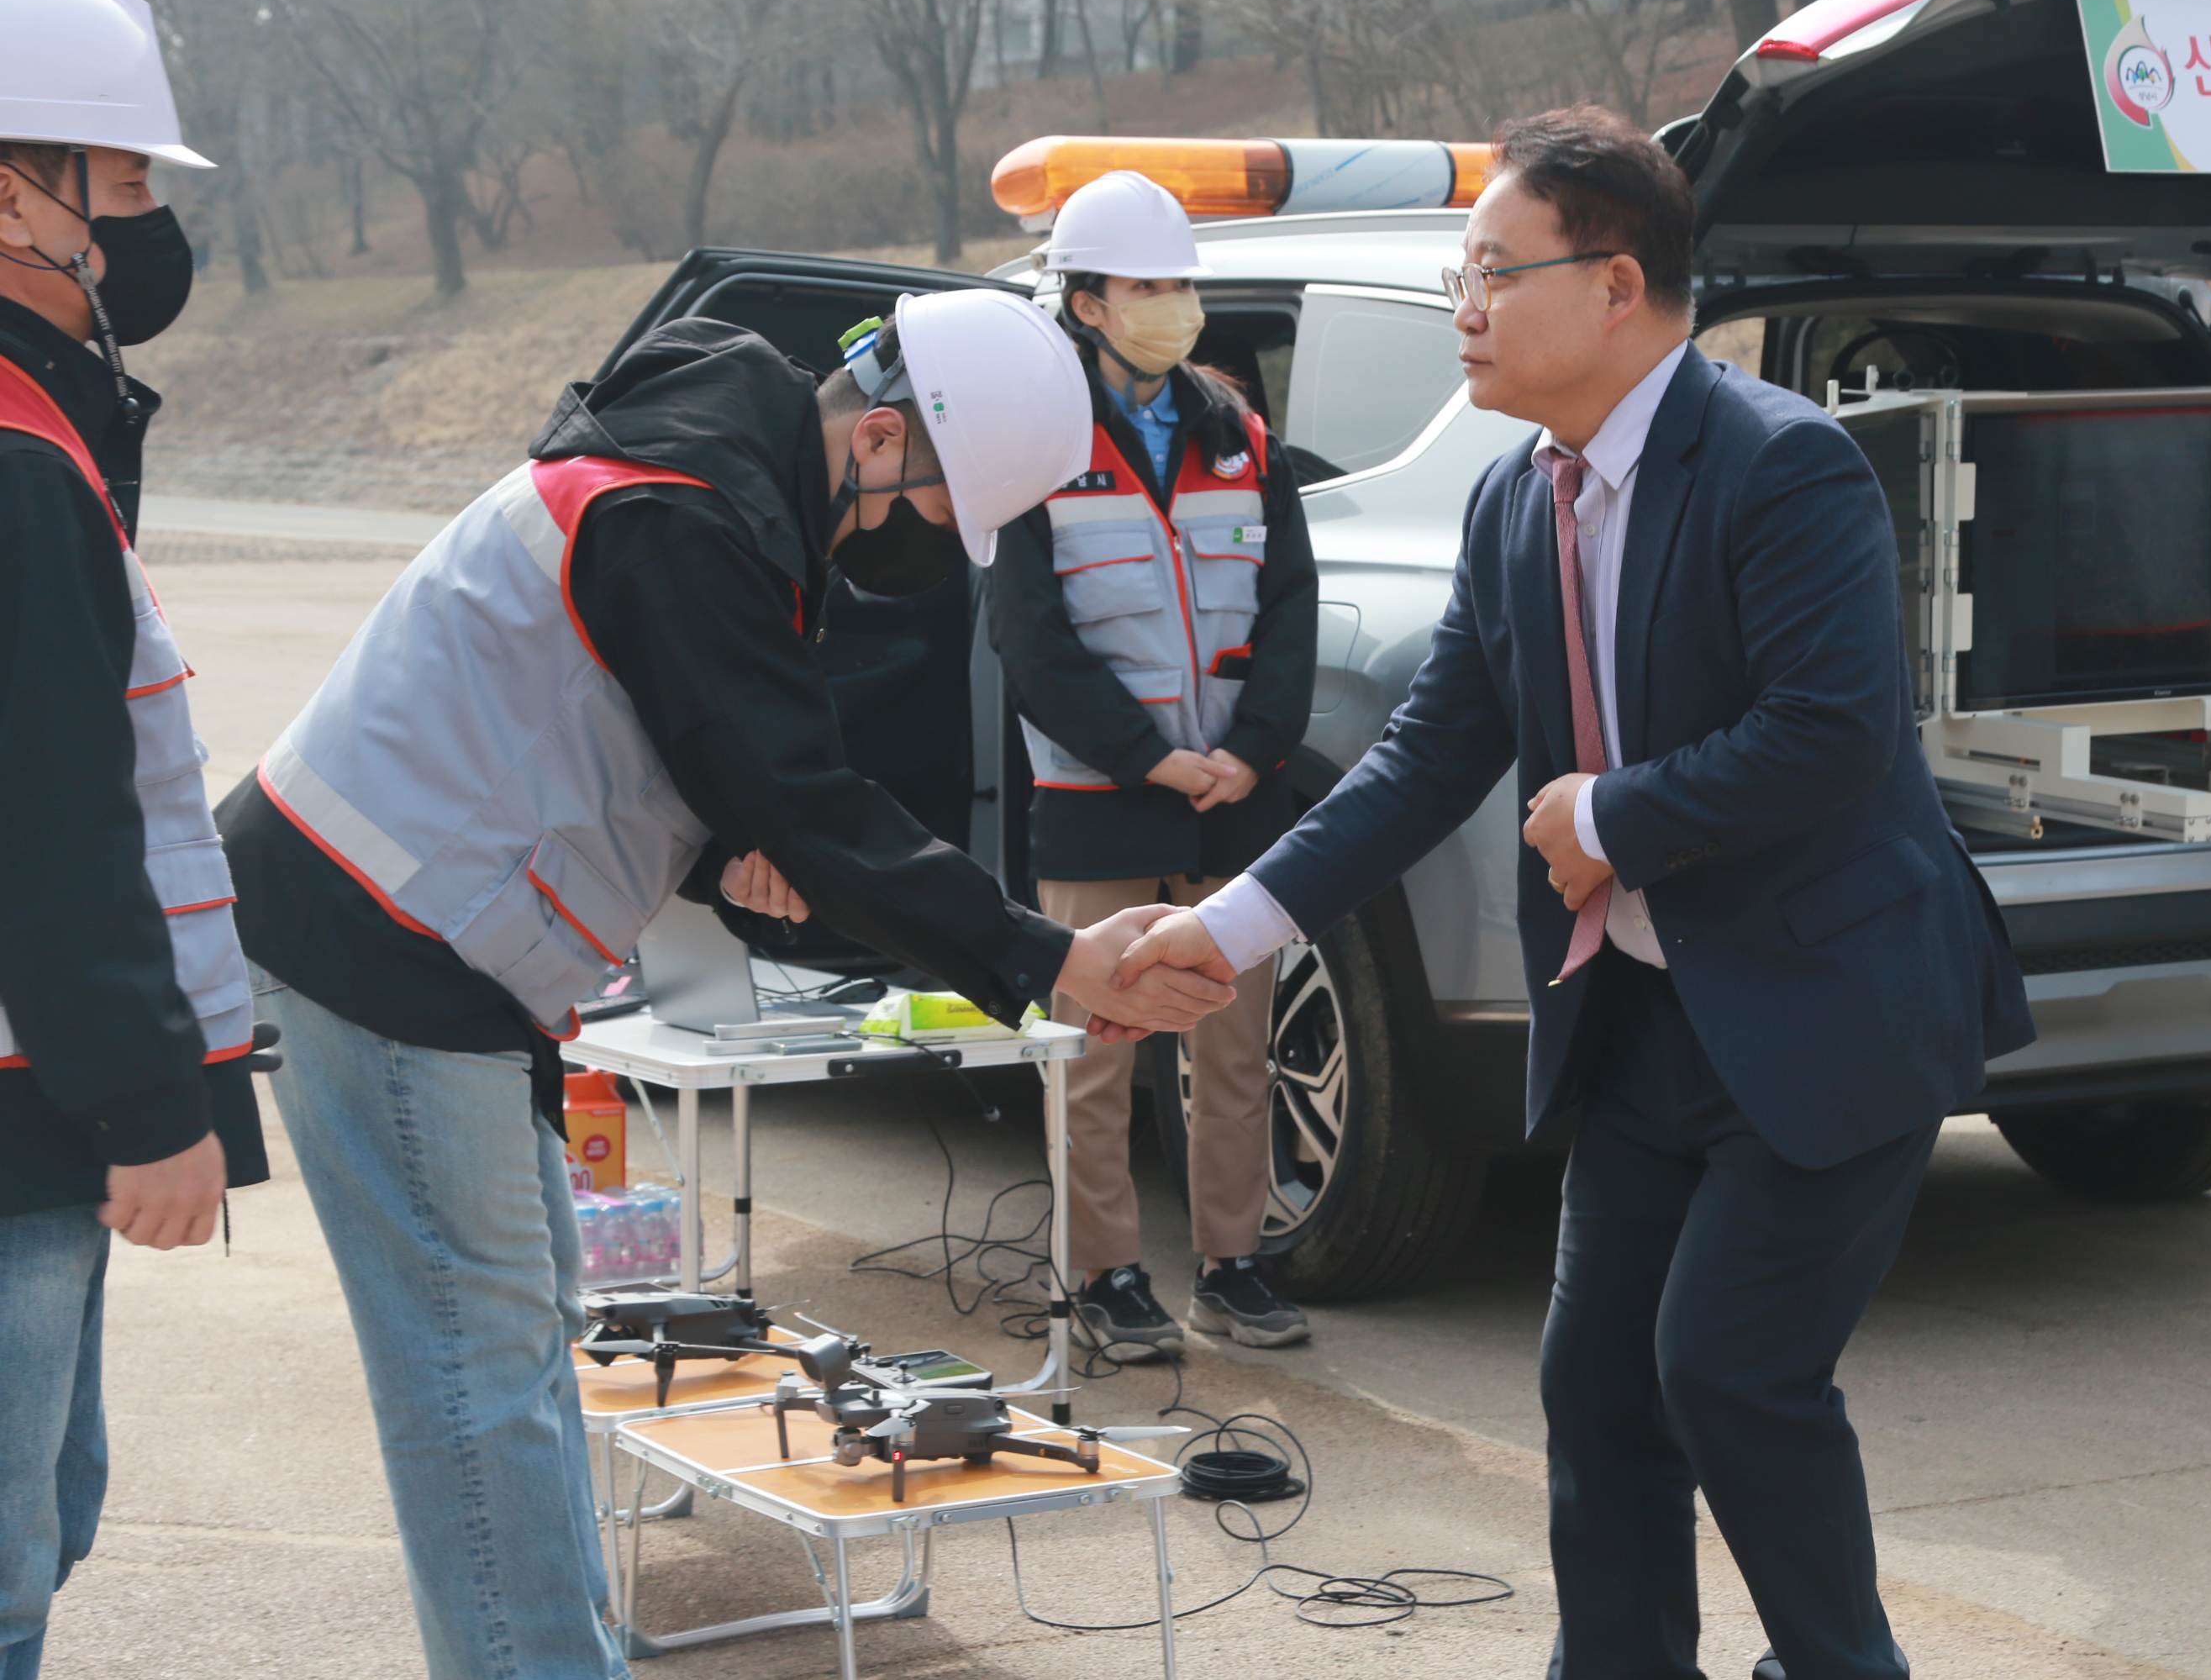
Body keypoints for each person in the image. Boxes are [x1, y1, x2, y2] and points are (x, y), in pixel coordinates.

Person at [1114, 108, 2035, 1677]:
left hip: (1827, 1014)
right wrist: (1226, 926)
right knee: (1598, 1387)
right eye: (1459, 274)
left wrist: (1610, 809)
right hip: (1637, 1020)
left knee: (1728, 1371)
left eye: (1491, 271)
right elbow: (1416, 763)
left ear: (1616, 286)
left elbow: (1829, 732)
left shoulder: (1779, 464)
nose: (1463, 306)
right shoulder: (1509, 497)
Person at [214, 291, 1232, 1680]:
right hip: (386, 937)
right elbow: (798, 783)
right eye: (905, 510)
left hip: (419, 932)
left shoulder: (708, 461)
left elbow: (640, 722)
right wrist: (1044, 956)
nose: (889, 539)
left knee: (519, 1352)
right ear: (877, 436)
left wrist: (727, 845)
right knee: (478, 1381)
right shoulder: (684, 516)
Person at [0, 0, 271, 1680]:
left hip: (39, 1085)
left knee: (52, 1508)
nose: (148, 223)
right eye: (123, 179)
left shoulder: (48, 423)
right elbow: (52, 815)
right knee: (12, 1554)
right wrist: (152, 1099)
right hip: (30, 1095)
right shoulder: (16, 448)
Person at [987, 171, 1319, 1356]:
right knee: (1093, 1050)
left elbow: (1290, 605)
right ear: (1083, 301)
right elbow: (1031, 643)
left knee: (1235, 1042)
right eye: (1146, 285)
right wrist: (1150, 761)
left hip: (1237, 800)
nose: (1171, 304)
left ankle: (1233, 1260)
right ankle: (1104, 1276)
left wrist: (1248, 752)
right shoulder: (1032, 447)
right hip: (1100, 801)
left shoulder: (1242, 435)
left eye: (1181, 282)